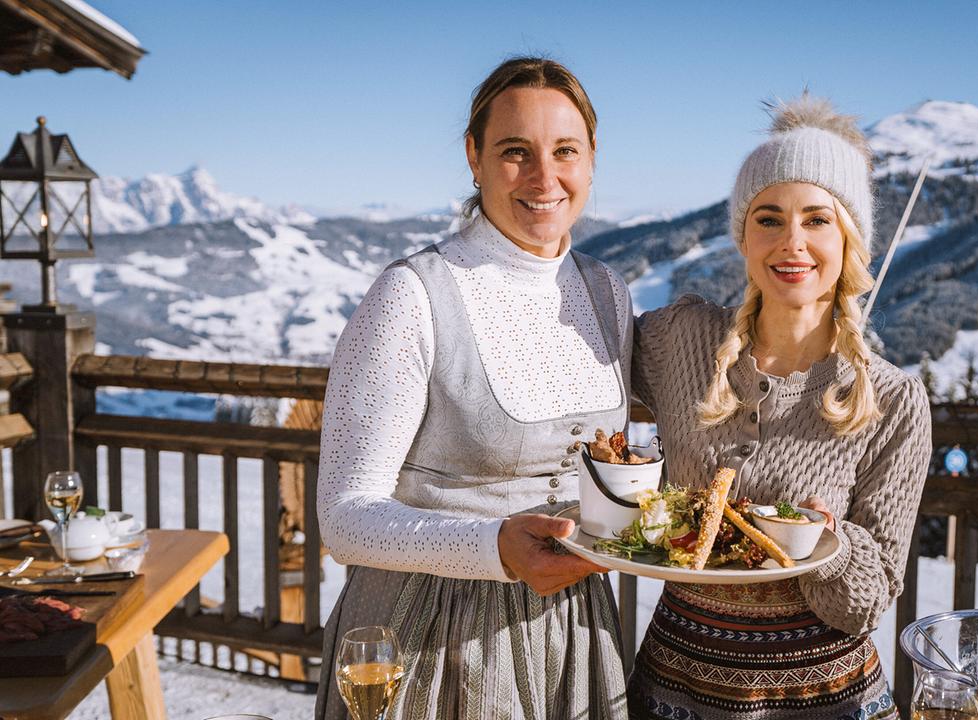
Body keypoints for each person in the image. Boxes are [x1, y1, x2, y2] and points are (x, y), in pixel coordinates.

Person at [315, 57, 630, 719]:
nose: (545, 178)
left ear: (592, 158)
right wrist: (491, 548)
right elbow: (344, 518)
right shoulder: (411, 295)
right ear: (473, 156)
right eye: (516, 152)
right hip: (434, 639)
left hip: (572, 629)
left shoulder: (605, 291)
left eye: (564, 151)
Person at [627, 94, 932, 719]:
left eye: (817, 219)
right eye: (769, 218)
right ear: (743, 236)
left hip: (826, 700)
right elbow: (571, 370)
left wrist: (832, 545)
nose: (792, 242)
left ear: (850, 238)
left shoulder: (893, 399)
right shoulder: (681, 339)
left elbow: (868, 604)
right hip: (676, 689)